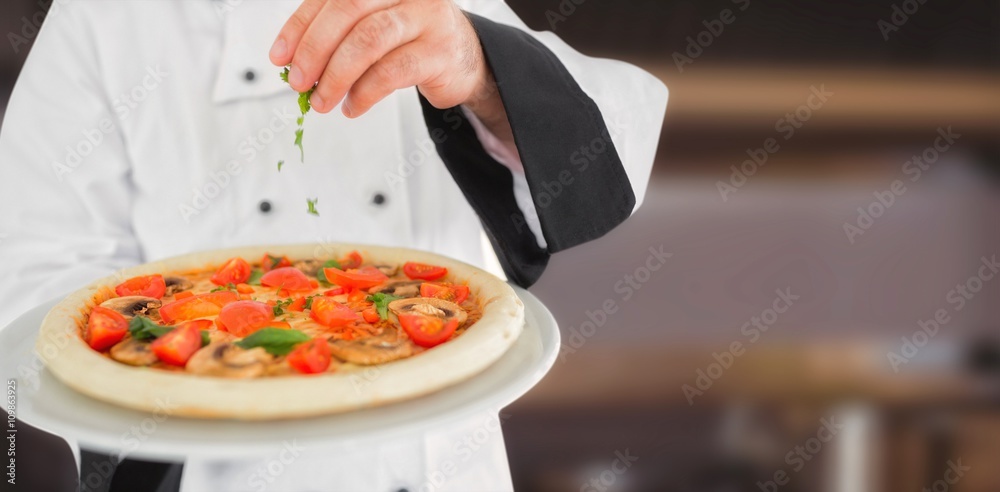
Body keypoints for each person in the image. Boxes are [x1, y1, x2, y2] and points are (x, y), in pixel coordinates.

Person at [0, 0, 667, 490]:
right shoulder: (100, 19)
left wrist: (482, 71)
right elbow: (34, 272)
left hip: (442, 466)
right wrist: (173, 356)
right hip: (208, 472)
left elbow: (604, 151)